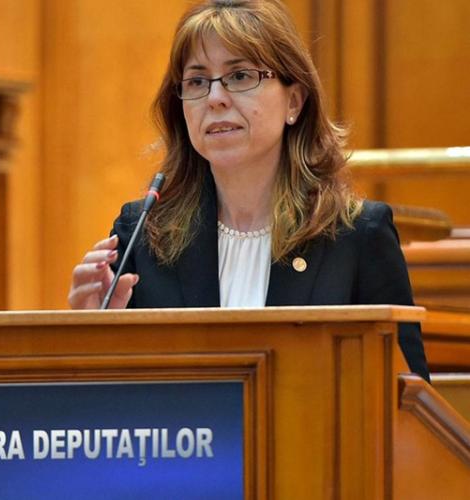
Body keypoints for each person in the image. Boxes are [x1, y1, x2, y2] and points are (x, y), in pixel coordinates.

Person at [67, 0, 429, 381]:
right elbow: (109, 401)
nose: (215, 98)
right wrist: (89, 331)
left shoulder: (356, 236)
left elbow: (405, 399)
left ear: (293, 101)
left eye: (240, 76)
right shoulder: (142, 237)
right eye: (197, 82)